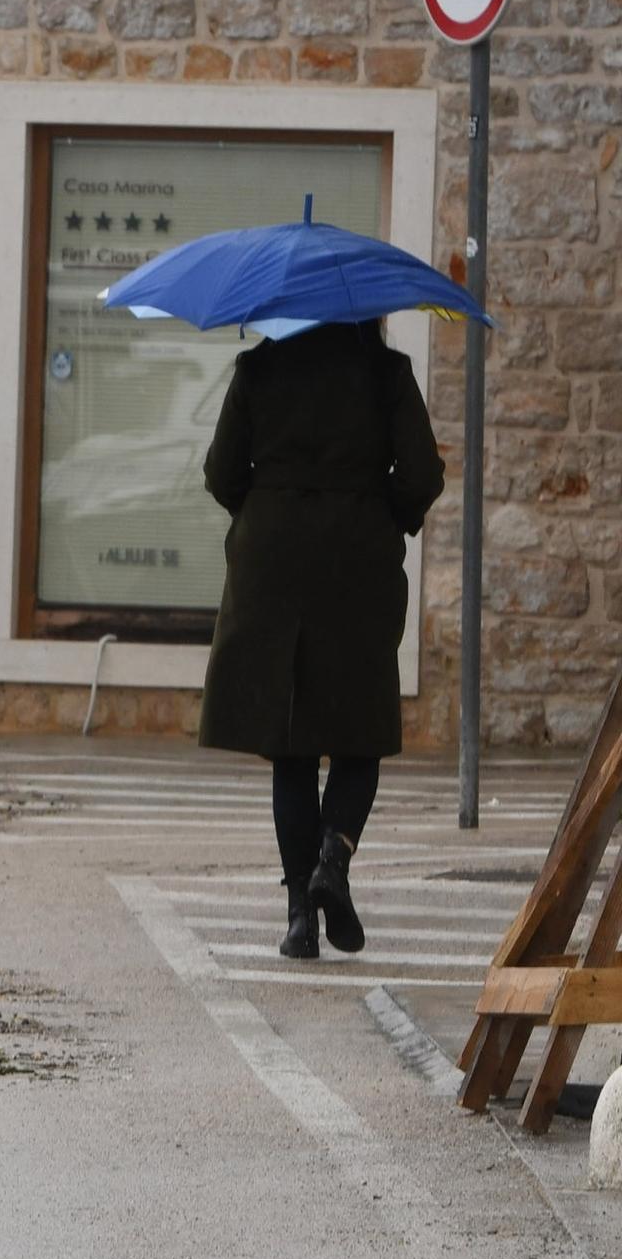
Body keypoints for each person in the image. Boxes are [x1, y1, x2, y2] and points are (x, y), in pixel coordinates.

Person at [199, 316, 444, 960]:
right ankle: (332, 860)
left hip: (271, 561)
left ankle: (299, 921)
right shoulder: (385, 374)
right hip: (356, 556)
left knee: (290, 745)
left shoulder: (258, 369)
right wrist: (383, 512)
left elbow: (222, 473)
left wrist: (271, 507)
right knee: (360, 731)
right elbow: (421, 473)